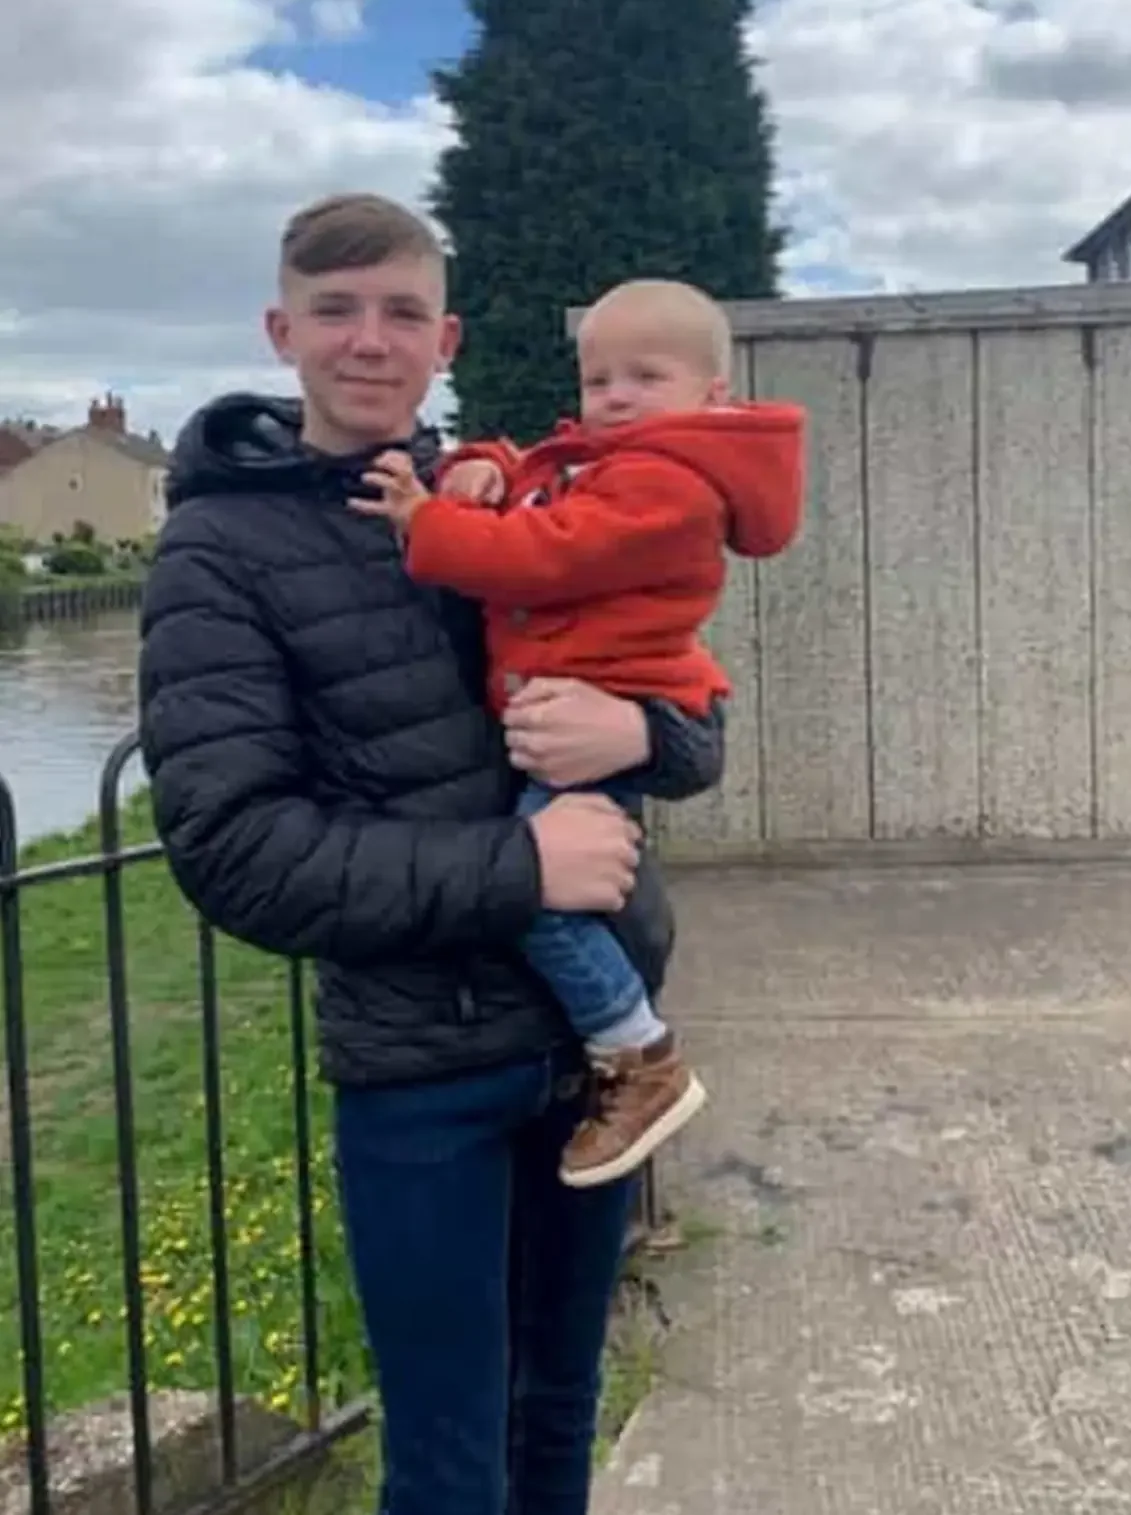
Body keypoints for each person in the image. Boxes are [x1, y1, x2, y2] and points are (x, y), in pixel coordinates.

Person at [136, 192, 725, 1515]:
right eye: (335, 310)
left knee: (558, 1410)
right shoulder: (216, 551)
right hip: (422, 1073)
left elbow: (694, 714)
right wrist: (522, 870)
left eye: (402, 311)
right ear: (282, 331)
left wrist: (642, 729)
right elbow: (234, 847)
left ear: (443, 338)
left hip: (594, 1062)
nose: (369, 338)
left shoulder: (514, 494)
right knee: (450, 1458)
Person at [349, 278, 804, 1190]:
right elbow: (541, 478)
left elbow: (544, 551)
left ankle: (638, 1053)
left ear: (713, 393)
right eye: (599, 381)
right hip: (587, 705)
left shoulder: (669, 484)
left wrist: (426, 518)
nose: (616, 398)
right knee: (558, 886)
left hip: (607, 705)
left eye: (646, 377)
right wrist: (484, 462)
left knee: (543, 892)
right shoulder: (618, 465)